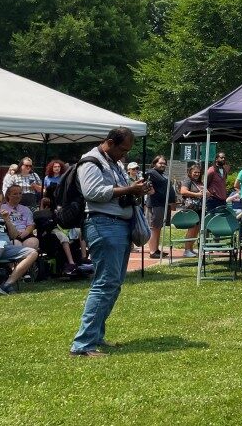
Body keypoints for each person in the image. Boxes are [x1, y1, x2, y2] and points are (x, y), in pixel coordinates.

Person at [70, 126, 148, 357]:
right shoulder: (90, 162)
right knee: (104, 284)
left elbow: (118, 190)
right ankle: (82, 345)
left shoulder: (114, 163)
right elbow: (92, 192)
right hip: (103, 225)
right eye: (122, 149)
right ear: (110, 143)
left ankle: (96, 336)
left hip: (118, 225)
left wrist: (137, 190)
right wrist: (128, 188)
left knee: (113, 284)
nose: (124, 155)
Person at [144, 155, 173, 259]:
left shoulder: (161, 174)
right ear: (154, 163)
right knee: (153, 228)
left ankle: (156, 249)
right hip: (154, 204)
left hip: (162, 204)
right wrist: (150, 190)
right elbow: (146, 182)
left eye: (164, 163)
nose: (163, 165)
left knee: (158, 227)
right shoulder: (152, 172)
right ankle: (152, 251)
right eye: (160, 163)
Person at [2, 185, 39, 251]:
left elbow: (31, 224)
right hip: (10, 234)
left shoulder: (26, 209)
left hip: (24, 233)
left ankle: (27, 259)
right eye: (15, 194)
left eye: (20, 193)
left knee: (33, 243)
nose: (18, 196)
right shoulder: (2, 208)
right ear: (8, 195)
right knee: (16, 244)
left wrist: (26, 232)